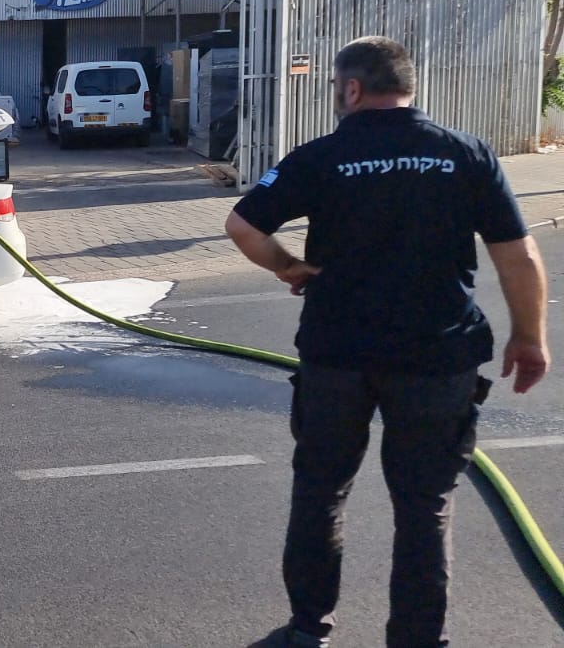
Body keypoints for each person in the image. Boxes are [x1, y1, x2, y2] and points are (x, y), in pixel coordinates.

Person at [224, 36, 549, 648]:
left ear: (351, 89)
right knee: (425, 505)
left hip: (337, 355)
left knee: (321, 491)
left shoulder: (320, 156)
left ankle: (308, 629)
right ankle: (417, 640)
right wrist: (528, 339)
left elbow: (242, 224)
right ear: (407, 87)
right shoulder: (464, 153)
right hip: (438, 357)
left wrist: (288, 267)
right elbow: (518, 255)